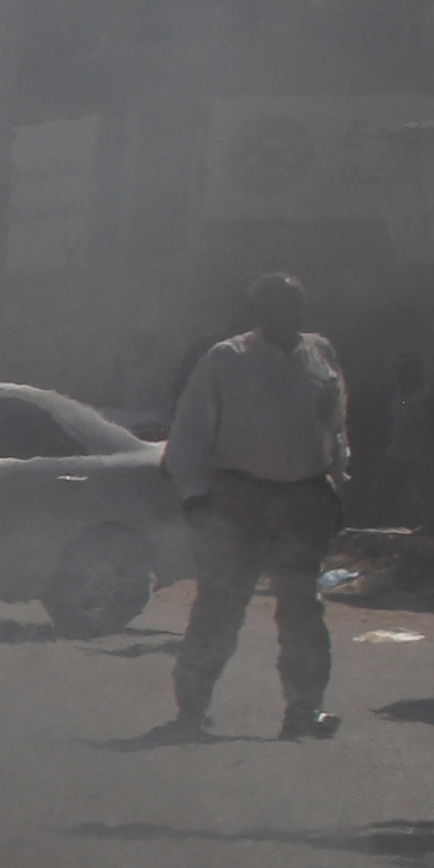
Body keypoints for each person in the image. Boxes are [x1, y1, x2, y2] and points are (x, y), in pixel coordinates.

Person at [154, 270, 351, 744]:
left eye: (291, 304)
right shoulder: (226, 359)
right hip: (238, 501)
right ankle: (193, 707)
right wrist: (195, 498)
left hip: (302, 501)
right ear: (257, 312)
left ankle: (305, 708)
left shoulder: (319, 354)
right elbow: (190, 433)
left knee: (303, 610)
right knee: (221, 606)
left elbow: (337, 425)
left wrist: (337, 482)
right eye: (273, 305)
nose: (284, 314)